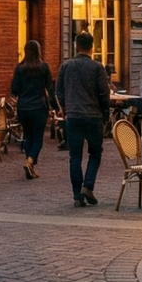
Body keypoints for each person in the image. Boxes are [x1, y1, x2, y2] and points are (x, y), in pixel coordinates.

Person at [54, 32, 111, 207]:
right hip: (94, 116)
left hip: (74, 116)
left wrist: (65, 108)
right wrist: (105, 112)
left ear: (76, 45)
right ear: (91, 47)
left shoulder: (66, 66)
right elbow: (104, 93)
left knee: (75, 156)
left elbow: (58, 91)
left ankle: (76, 194)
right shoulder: (97, 67)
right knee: (95, 153)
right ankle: (88, 185)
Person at [9, 41, 54, 180]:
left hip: (23, 107)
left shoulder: (20, 68)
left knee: (28, 136)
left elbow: (14, 89)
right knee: (38, 138)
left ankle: (31, 166)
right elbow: (50, 89)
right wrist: (54, 106)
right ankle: (29, 161)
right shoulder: (44, 67)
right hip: (39, 107)